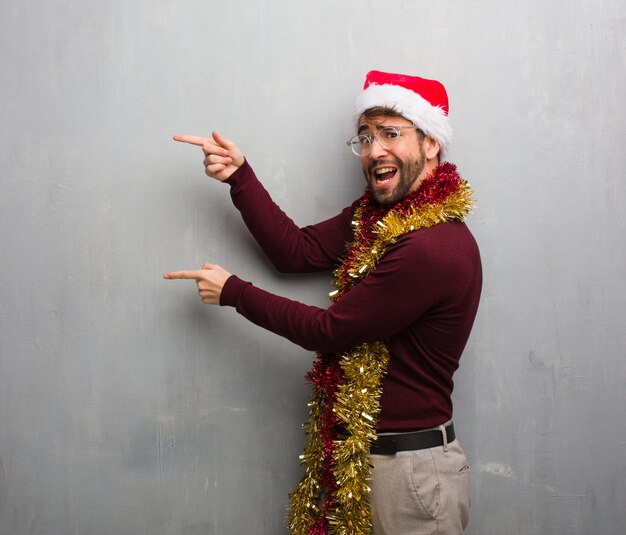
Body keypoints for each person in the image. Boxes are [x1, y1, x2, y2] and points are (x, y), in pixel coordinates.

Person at [164, 70, 482, 535]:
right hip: (358, 457)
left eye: (391, 133)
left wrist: (235, 293)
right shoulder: (375, 217)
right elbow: (296, 252)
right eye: (366, 137)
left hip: (410, 473)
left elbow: (332, 330)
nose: (374, 151)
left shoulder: (433, 247)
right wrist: (240, 177)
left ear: (431, 142)